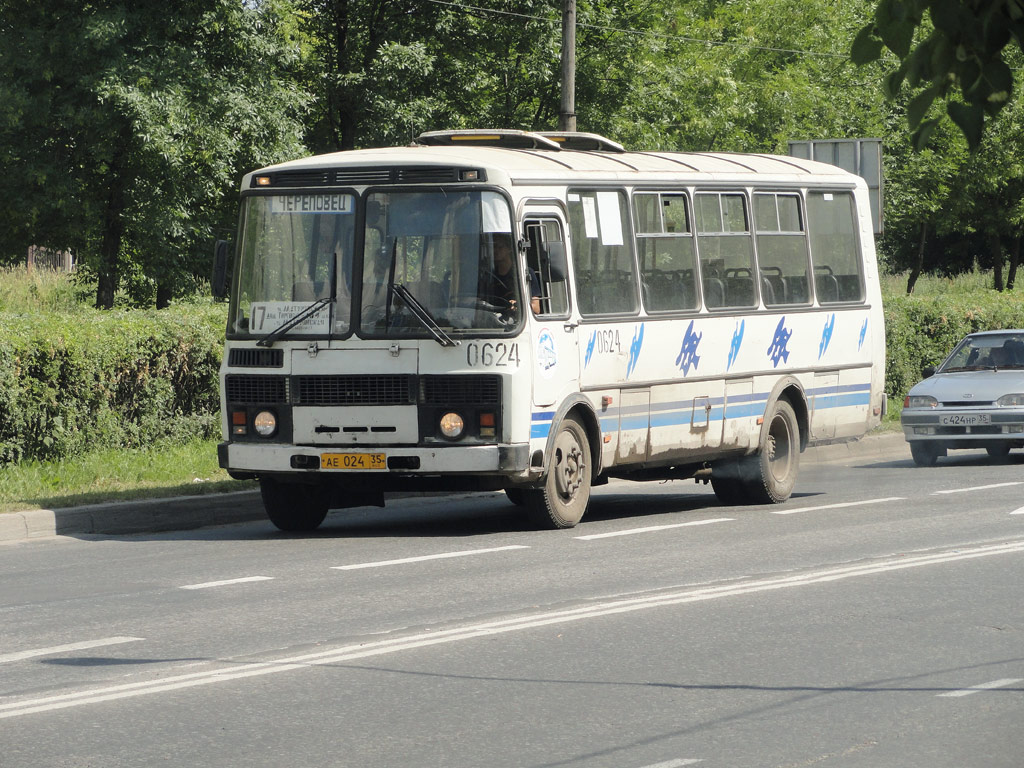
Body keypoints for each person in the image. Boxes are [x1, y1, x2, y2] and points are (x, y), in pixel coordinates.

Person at [483, 236, 541, 315]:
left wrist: (518, 305)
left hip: (516, 321)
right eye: (493, 247)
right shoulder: (488, 275)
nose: (495, 251)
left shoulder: (525, 273)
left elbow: (536, 308)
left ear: (509, 248)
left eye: (500, 247)